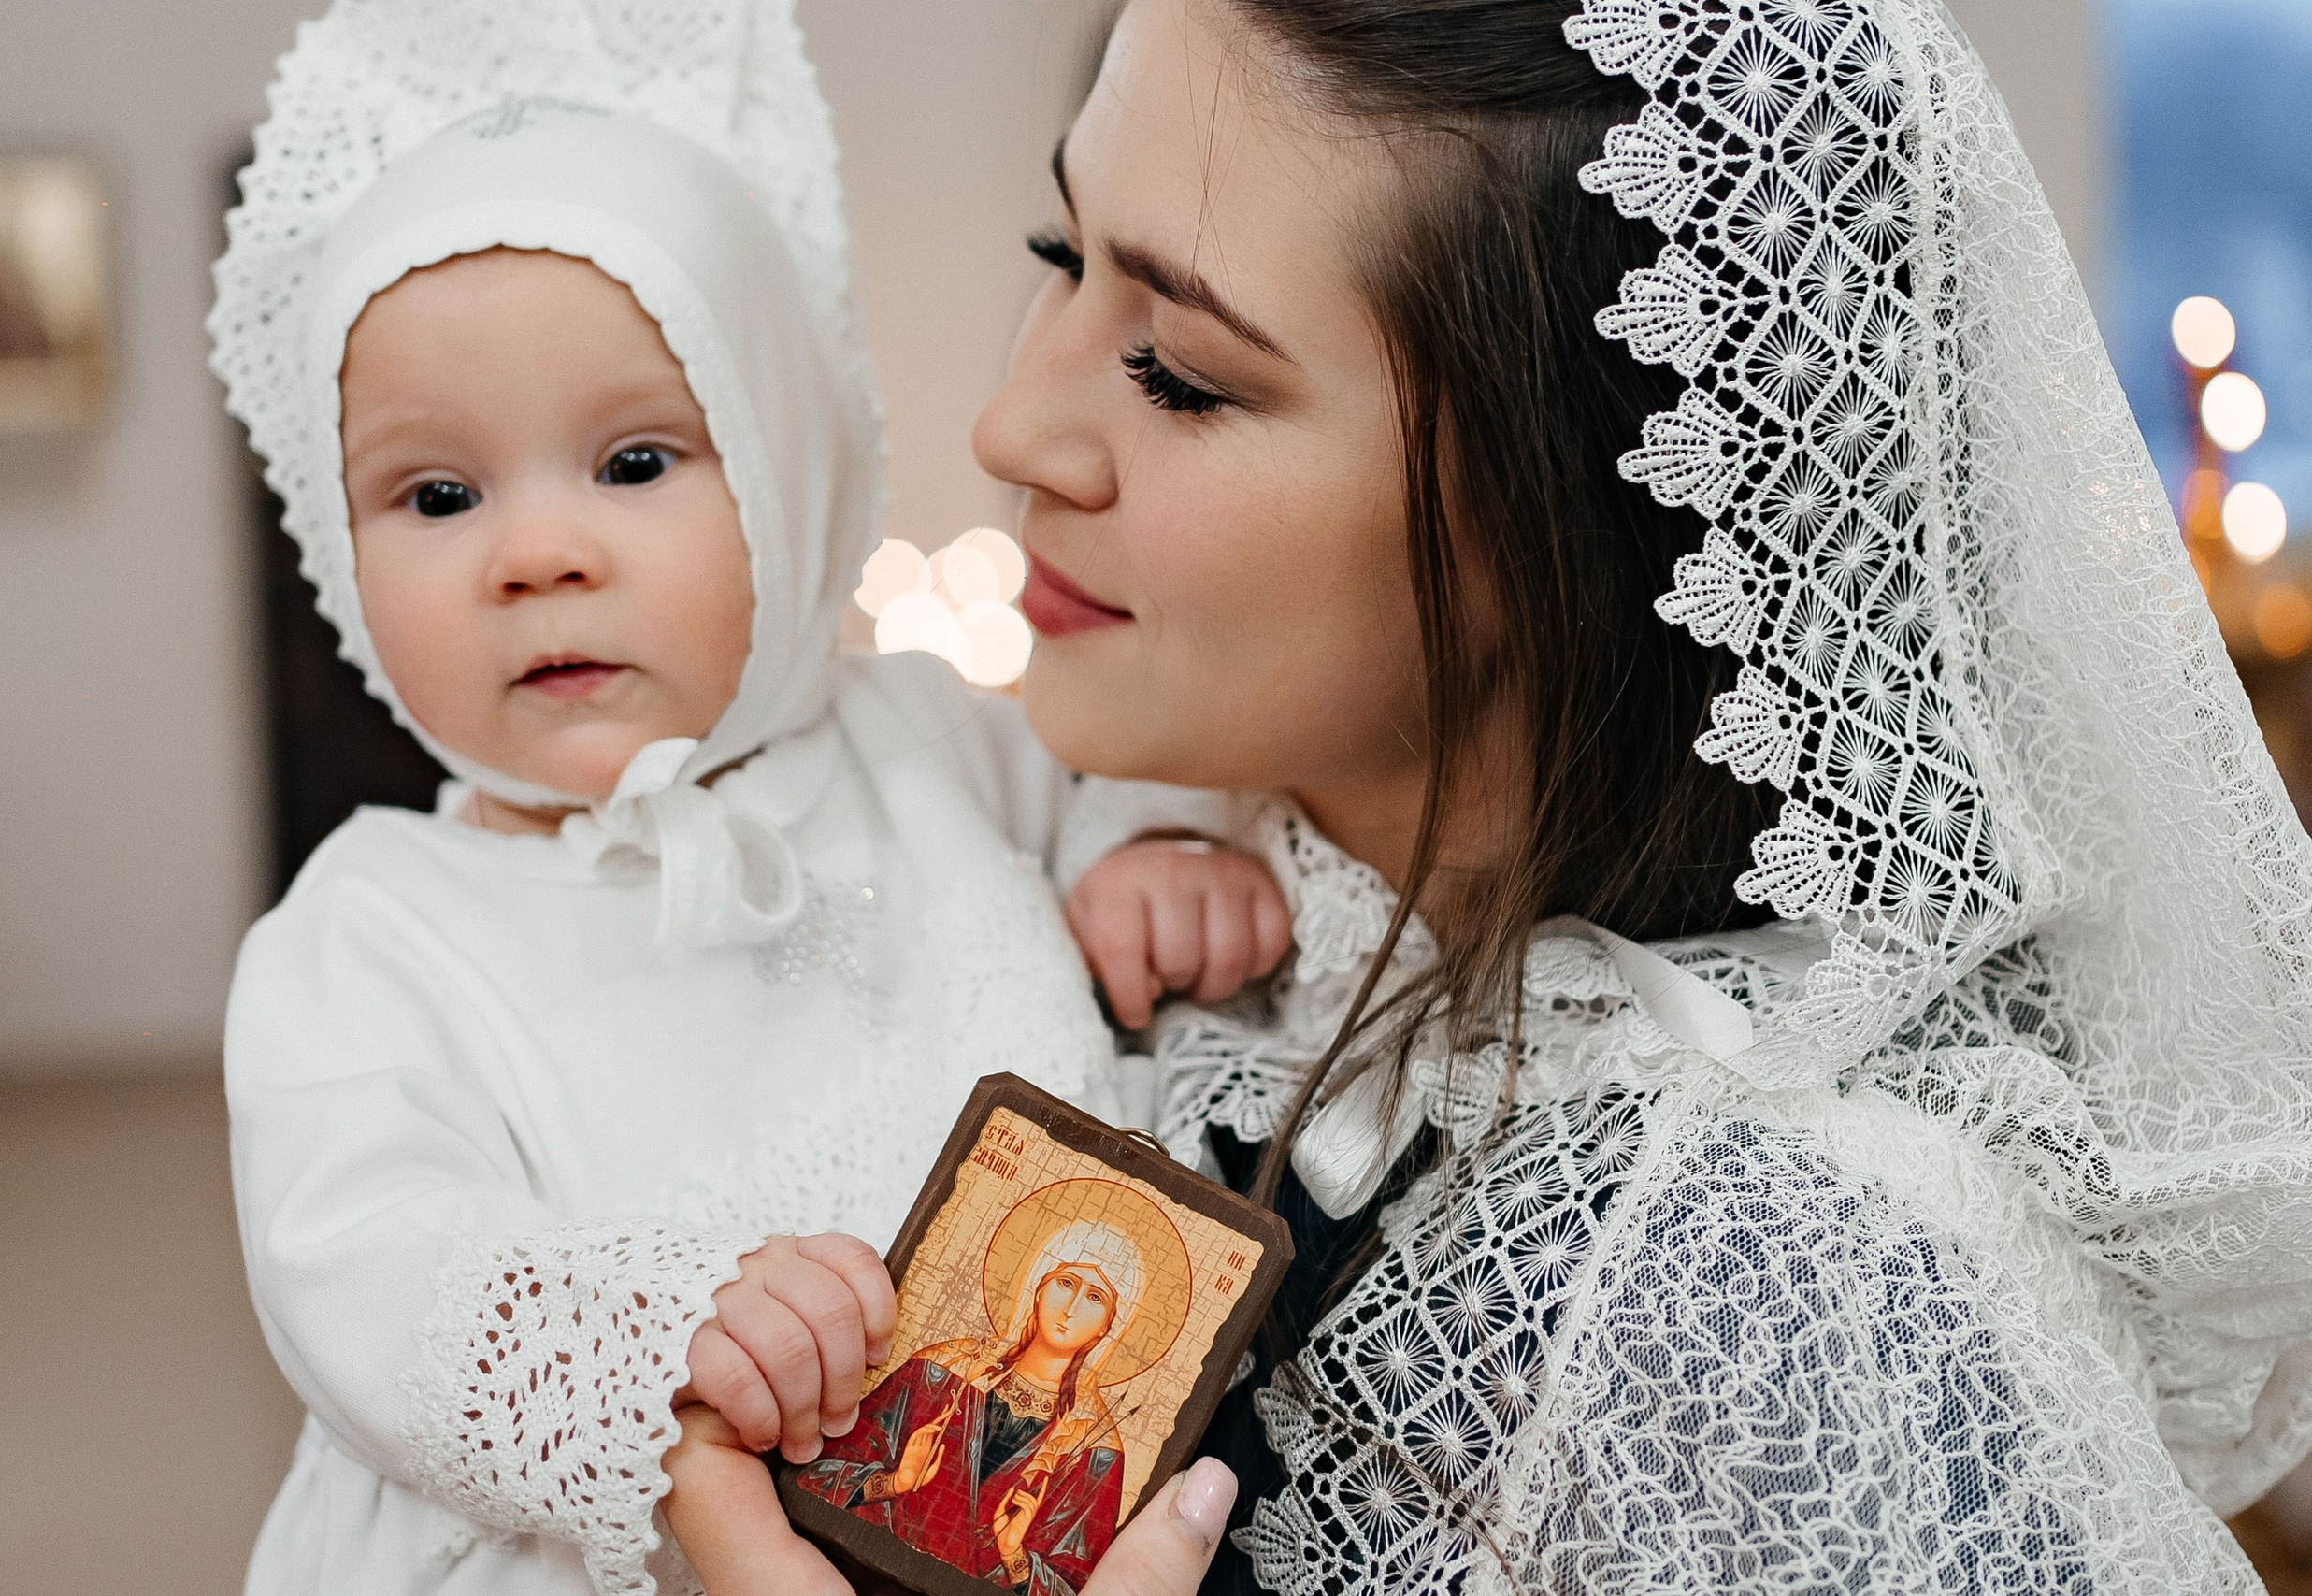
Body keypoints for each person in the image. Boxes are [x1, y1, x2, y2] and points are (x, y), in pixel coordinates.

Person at [961, 0, 2312, 1589]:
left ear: (1574, 518)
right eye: (1060, 252)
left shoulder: (1754, 1295)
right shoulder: (1090, 883)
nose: (1013, 425)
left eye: (1179, 373)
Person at [205, 4, 1289, 1594]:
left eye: (635, 462)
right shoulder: (360, 940)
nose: (536, 554)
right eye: (438, 494)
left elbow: (1092, 780)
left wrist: (1155, 848)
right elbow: (367, 1276)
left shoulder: (925, 732)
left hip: (981, 1510)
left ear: (795, 472)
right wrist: (670, 1325)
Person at [797, 1221, 1142, 1590]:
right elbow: (812, 1478)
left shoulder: (1095, 1449)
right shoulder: (940, 1370)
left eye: (1095, 1298)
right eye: (1066, 1283)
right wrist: (892, 1483)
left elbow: (1079, 1585)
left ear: (1108, 1326)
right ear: (1039, 1289)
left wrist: (1014, 1554)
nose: (1072, 1308)